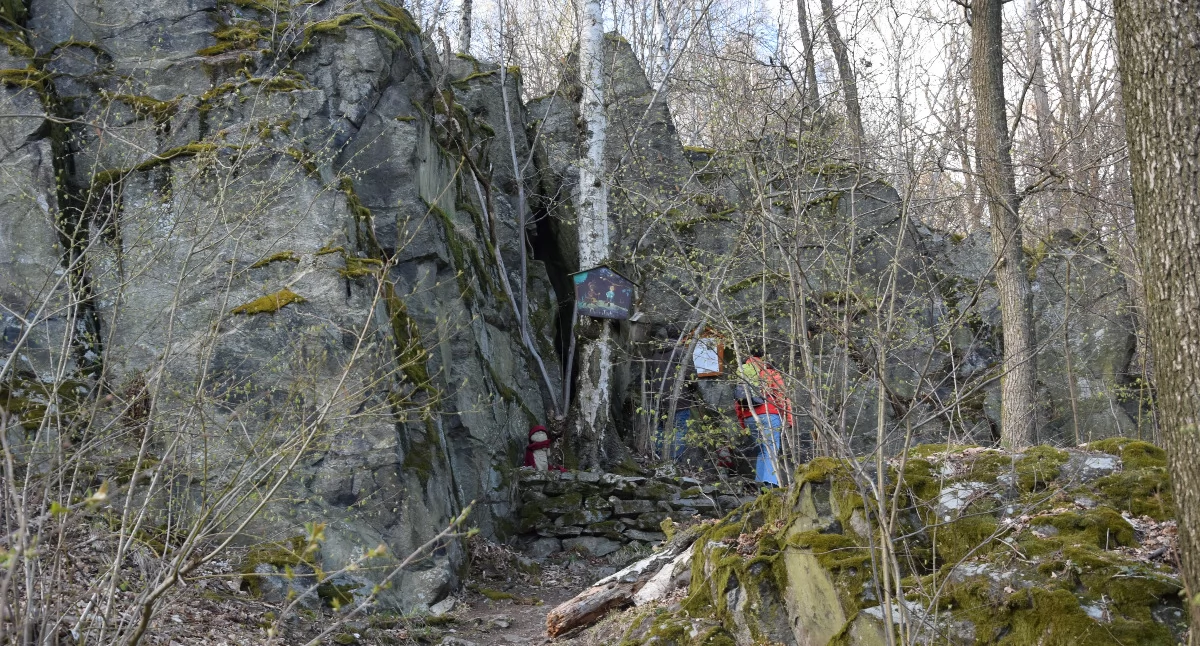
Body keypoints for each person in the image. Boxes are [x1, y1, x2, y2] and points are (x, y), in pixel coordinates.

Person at [734, 352, 793, 486]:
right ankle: (770, 483)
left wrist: (743, 424)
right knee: (770, 449)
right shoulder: (769, 373)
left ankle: (760, 483)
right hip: (769, 415)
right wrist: (789, 419)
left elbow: (737, 403)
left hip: (749, 418)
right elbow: (781, 397)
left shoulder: (742, 375)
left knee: (762, 450)